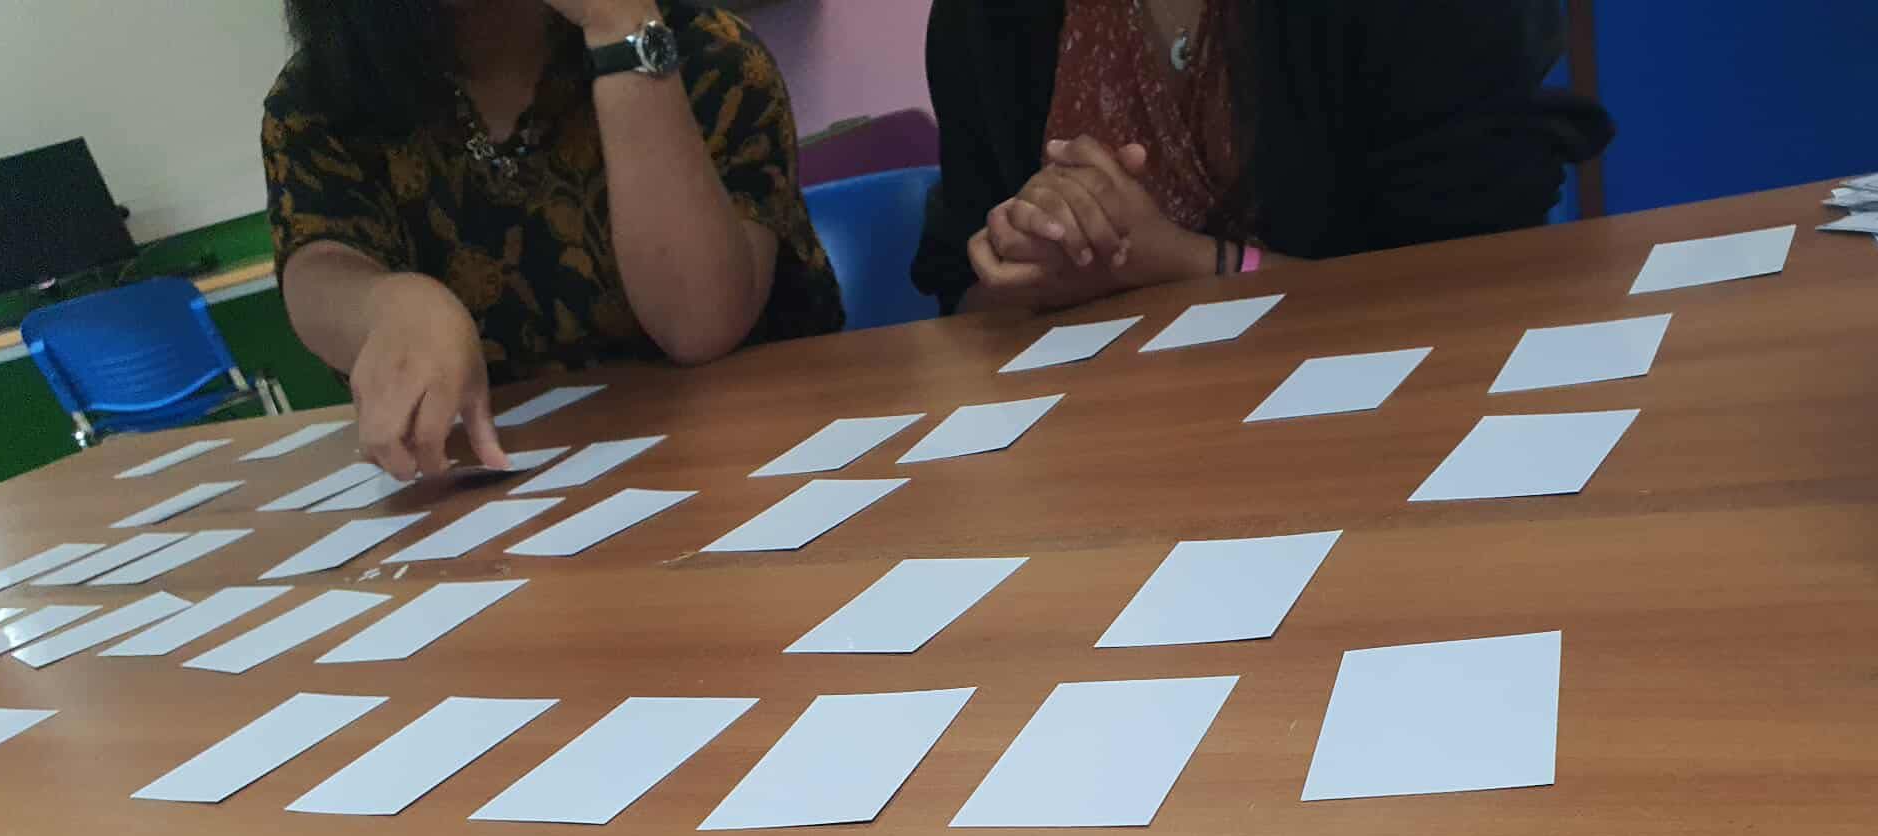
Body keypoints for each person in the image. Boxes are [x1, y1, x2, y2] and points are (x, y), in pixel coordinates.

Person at [266, 0, 844, 479]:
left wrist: (620, 30)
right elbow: (318, 260)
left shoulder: (709, 53)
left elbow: (698, 325)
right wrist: (387, 305)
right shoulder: (323, 95)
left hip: (758, 469)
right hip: (505, 500)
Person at [912, 0, 1614, 314]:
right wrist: (1032, 267)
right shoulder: (985, 21)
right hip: (1101, 463)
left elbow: (1485, 295)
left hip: (1394, 433)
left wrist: (1184, 262)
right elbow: (963, 296)